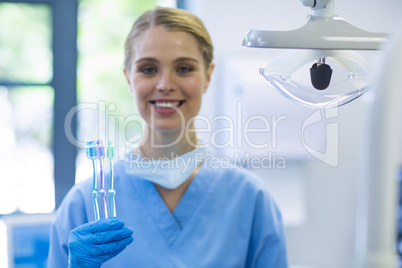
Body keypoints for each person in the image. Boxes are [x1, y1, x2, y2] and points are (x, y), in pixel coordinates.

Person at [48, 6, 288, 268]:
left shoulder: (249, 198)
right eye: (149, 69)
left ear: (208, 76)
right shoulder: (82, 204)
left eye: (184, 68)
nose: (165, 84)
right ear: (128, 77)